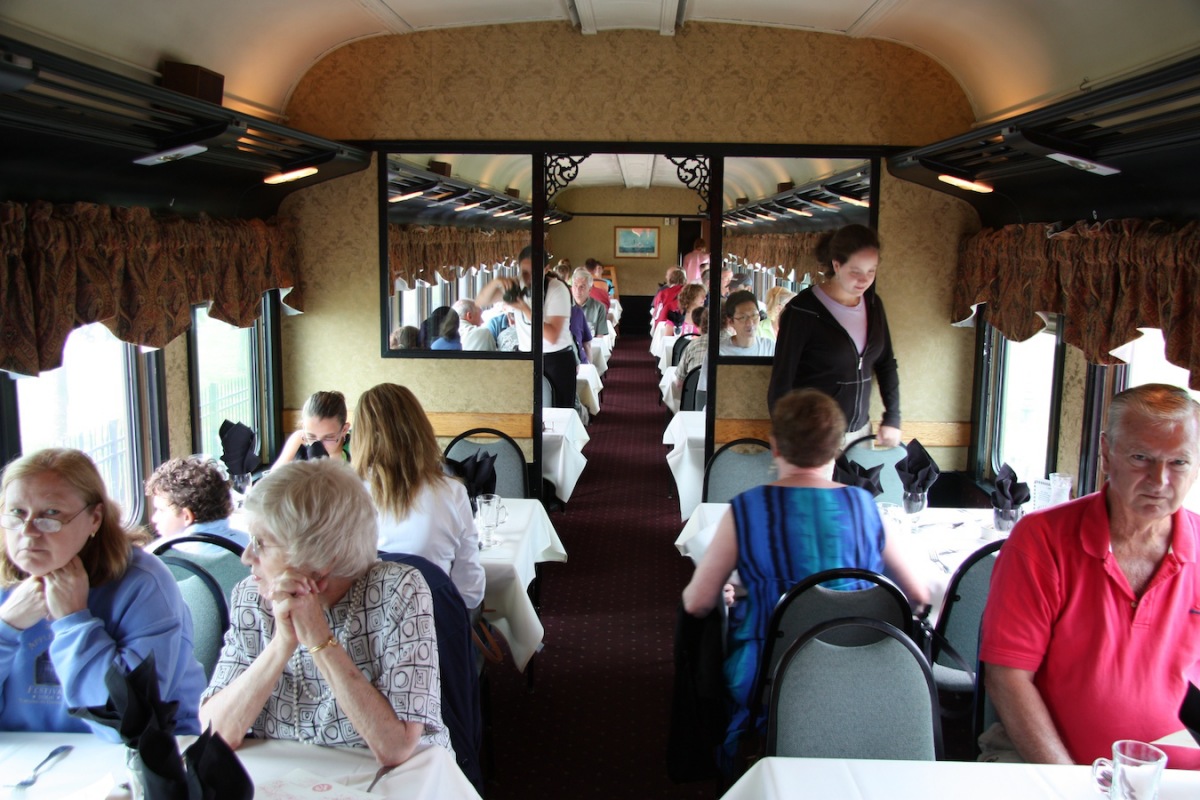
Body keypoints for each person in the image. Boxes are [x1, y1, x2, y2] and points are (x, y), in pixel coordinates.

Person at [682, 389, 928, 767]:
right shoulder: (866, 509)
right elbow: (916, 594)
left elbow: (698, 602)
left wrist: (749, 588)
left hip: (769, 672)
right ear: (838, 449)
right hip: (860, 669)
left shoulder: (746, 510)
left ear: (775, 446)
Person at [979, 384, 1200, 769]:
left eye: (1178, 462)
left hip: (1176, 774)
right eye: (1140, 457)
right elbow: (1008, 678)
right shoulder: (1041, 539)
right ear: (1105, 453)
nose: (1159, 480)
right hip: (1044, 762)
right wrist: (1070, 786)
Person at [200, 458, 452, 763]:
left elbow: (396, 747)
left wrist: (318, 636)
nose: (246, 556)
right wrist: (282, 644)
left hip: (395, 782)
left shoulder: (397, 592)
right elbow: (214, 733)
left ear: (321, 559)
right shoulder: (253, 598)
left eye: (261, 542)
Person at [0, 448, 206, 737]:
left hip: (139, 757)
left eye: (51, 514)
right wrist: (5, 627)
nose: (29, 531)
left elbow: (129, 725)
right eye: (17, 512)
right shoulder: (4, 585)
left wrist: (74, 621)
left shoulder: (143, 584)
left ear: (94, 518)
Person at [351, 383, 484, 610]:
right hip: (433, 631)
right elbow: (470, 592)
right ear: (420, 428)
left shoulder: (343, 497)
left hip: (362, 633)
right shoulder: (452, 493)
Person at [767, 224, 901, 447]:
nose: (864, 280)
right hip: (812, 436)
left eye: (871, 271)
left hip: (860, 433)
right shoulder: (803, 311)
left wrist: (893, 417)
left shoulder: (874, 306)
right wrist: (785, 438)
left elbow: (886, 364)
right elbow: (782, 381)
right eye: (855, 272)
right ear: (837, 265)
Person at [478, 246, 576, 409]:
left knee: (558, 417)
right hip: (527, 357)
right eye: (524, 272)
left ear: (546, 269)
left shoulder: (557, 290)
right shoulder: (517, 285)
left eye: (534, 272)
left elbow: (552, 336)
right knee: (526, 413)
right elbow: (481, 302)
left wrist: (524, 308)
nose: (528, 278)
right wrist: (496, 282)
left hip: (556, 360)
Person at [145, 455, 248, 549]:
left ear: (187, 517)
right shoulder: (249, 544)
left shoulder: (159, 554)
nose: (154, 519)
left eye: (161, 511)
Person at [272, 390, 350, 467]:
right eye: (311, 436)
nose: (319, 445)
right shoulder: (300, 440)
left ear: (344, 430)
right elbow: (274, 476)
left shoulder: (355, 446)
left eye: (328, 437)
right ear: (303, 427)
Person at [719, 290, 775, 356]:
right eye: (742, 317)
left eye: (754, 315)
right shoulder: (720, 352)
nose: (750, 323)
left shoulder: (770, 348)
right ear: (731, 321)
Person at [571, 267, 608, 338]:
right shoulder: (564, 305)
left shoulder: (599, 307)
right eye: (575, 286)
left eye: (582, 287)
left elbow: (599, 336)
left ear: (590, 289)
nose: (578, 290)